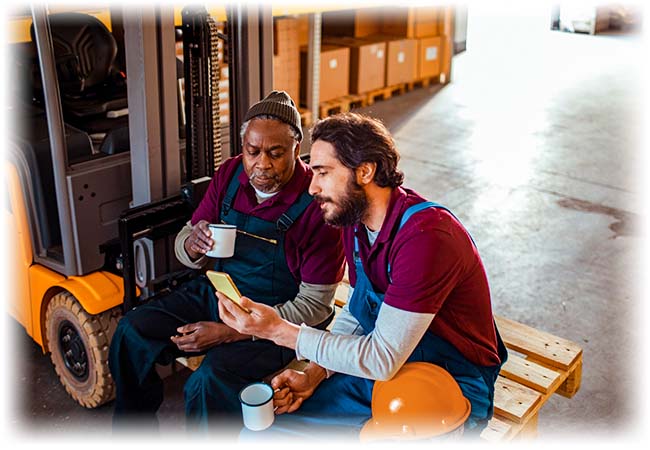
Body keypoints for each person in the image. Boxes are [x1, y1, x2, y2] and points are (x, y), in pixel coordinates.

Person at [218, 112, 508, 439]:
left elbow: (382, 358)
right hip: (389, 368)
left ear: (365, 171)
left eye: (324, 173)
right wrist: (316, 370)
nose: (312, 186)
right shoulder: (356, 223)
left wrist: (281, 331)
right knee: (263, 434)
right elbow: (359, 312)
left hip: (446, 385)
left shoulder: (427, 238)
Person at [108, 91, 345, 432]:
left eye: (275, 153)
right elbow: (187, 241)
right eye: (253, 151)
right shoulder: (231, 173)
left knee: (209, 381)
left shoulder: (317, 203)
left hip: (279, 316)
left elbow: (316, 306)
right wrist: (192, 245)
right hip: (221, 292)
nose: (261, 164)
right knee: (131, 331)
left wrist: (232, 332)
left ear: (296, 148)